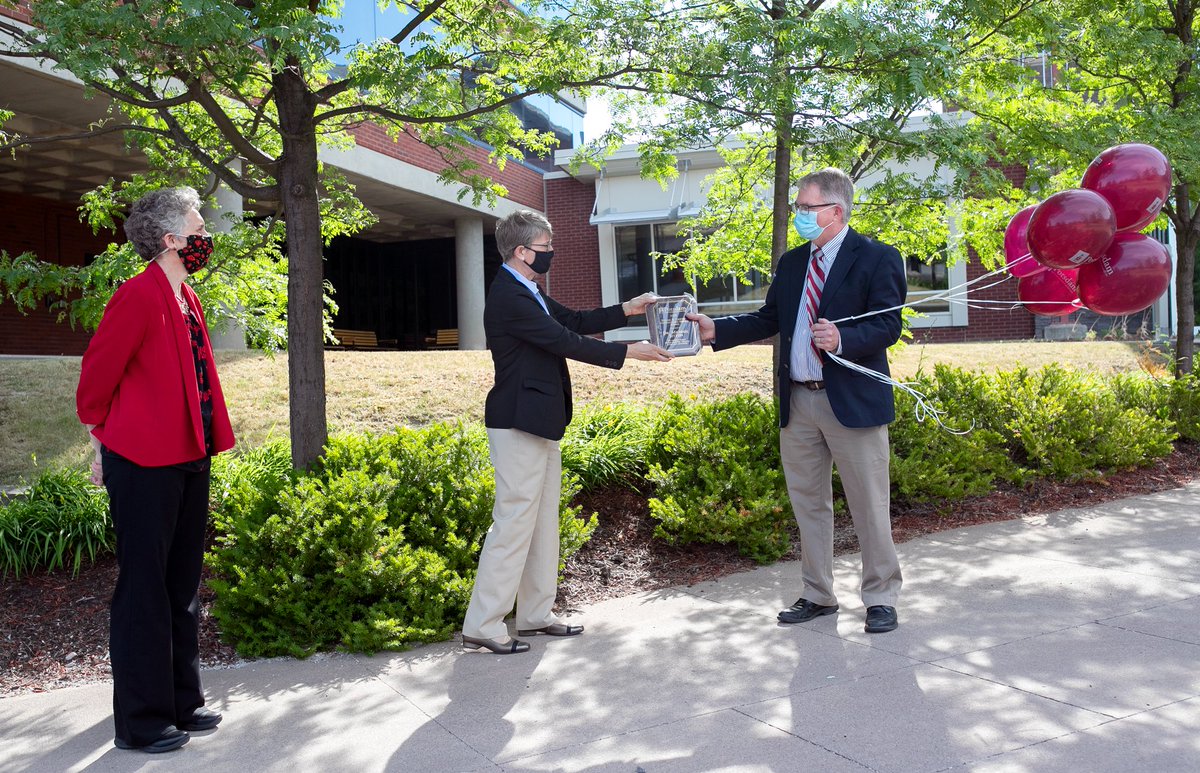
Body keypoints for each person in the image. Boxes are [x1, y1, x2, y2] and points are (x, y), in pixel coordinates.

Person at [688, 168, 907, 634]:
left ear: (835, 211)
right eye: (798, 208)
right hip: (799, 403)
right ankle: (818, 594)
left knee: (869, 504)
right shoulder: (792, 263)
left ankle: (881, 597)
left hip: (852, 401)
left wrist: (844, 337)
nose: (799, 216)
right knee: (809, 505)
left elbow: (889, 324)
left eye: (806, 208)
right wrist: (718, 330)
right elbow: (771, 317)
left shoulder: (877, 257)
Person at [462, 209, 673, 654]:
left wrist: (626, 309)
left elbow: (573, 322)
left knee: (541, 523)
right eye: (544, 248)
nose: (551, 255)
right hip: (516, 422)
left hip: (540, 421)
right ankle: (482, 624)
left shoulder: (529, 288)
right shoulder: (508, 296)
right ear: (521, 252)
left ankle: (535, 615)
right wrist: (628, 352)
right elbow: (563, 342)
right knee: (514, 523)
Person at [76, 187, 235, 752]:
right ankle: (142, 722)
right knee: (144, 589)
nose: (205, 237)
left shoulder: (185, 296)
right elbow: (96, 378)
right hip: (143, 462)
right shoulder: (138, 296)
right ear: (172, 240)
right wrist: (101, 439)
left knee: (180, 584)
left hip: (189, 454)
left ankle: (180, 701)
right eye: (198, 229)